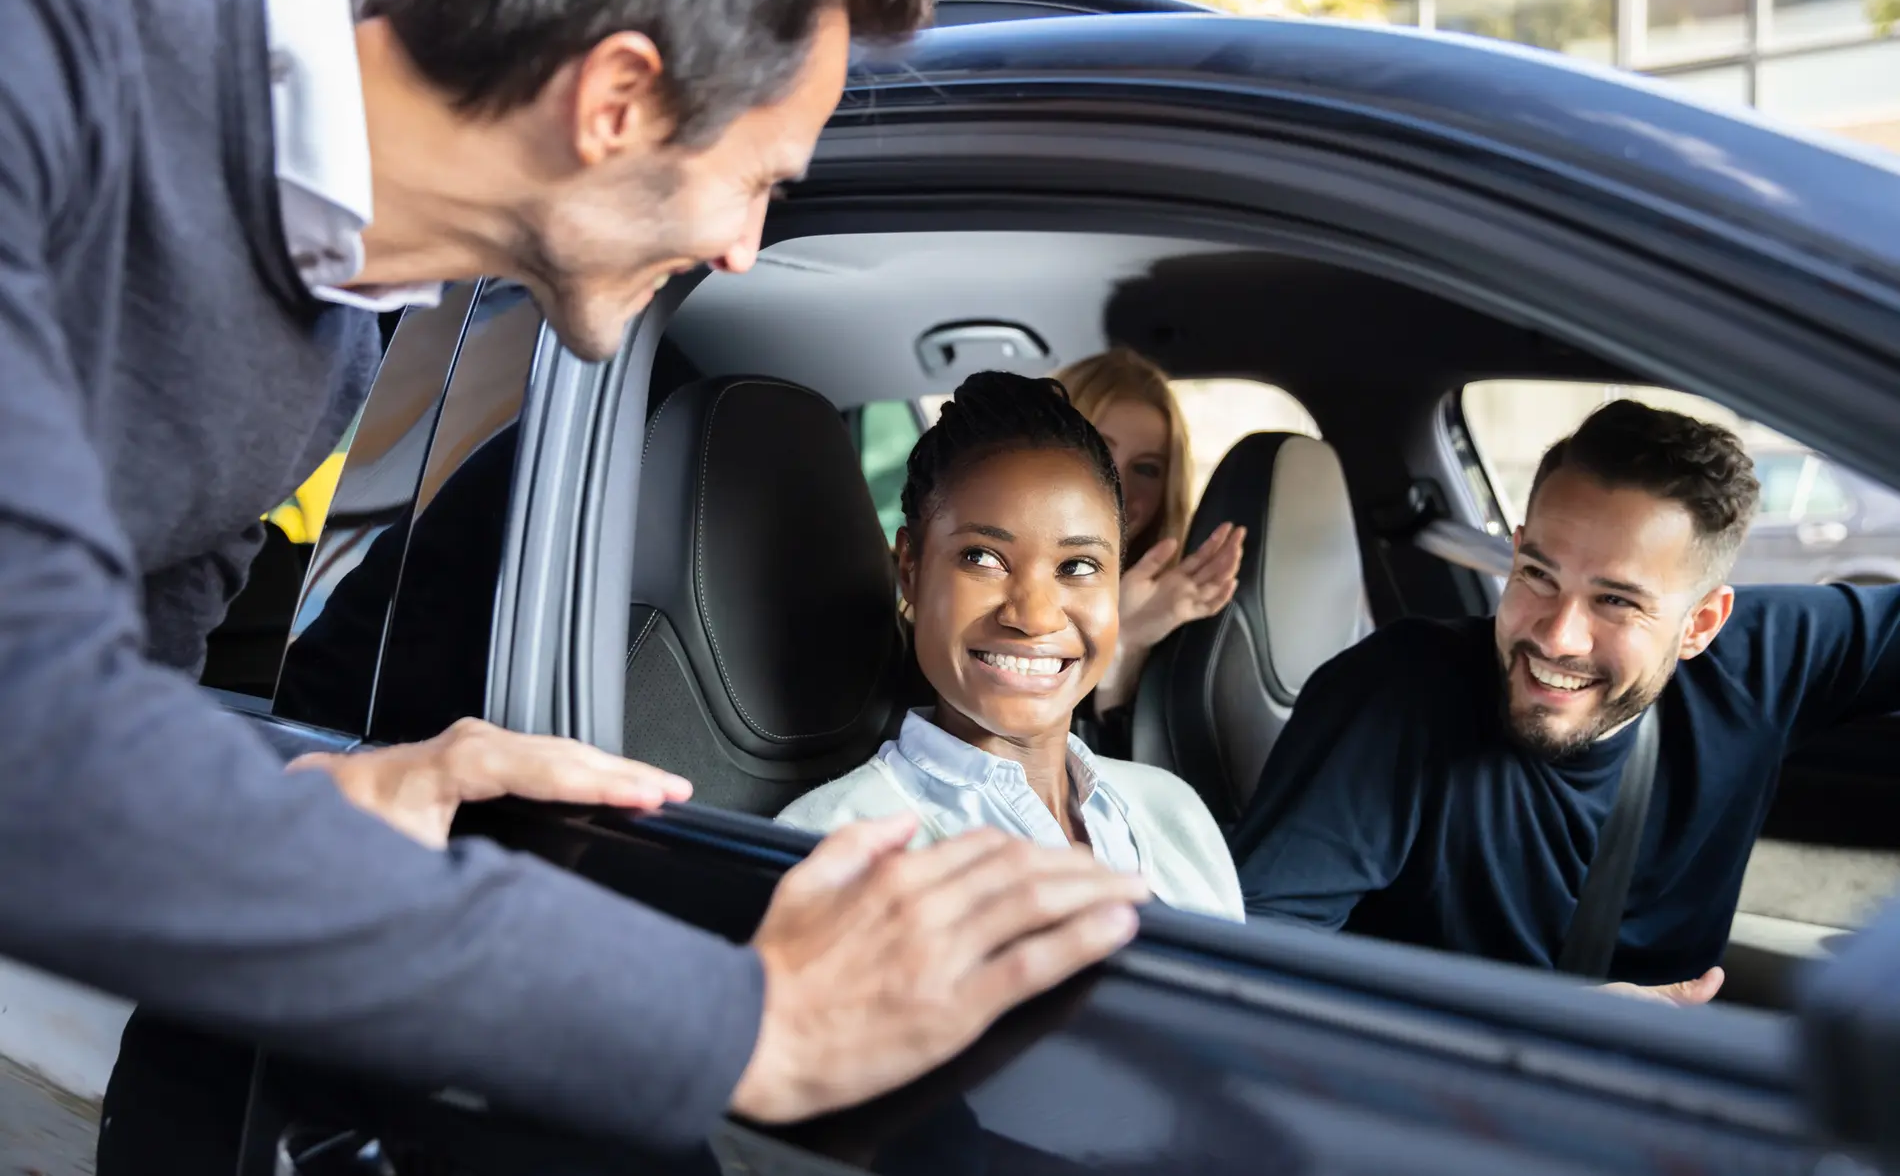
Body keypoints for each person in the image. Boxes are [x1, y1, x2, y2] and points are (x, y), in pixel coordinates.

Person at [0, 0, 1151, 1168]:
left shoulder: (322, 347)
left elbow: (100, 742)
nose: (743, 247)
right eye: (761, 178)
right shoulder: (29, 46)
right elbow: (43, 740)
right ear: (614, 98)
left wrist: (312, 794)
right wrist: (733, 1023)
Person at [1229, 401, 1900, 1004]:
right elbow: (1249, 964)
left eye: (1616, 600)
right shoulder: (1394, 696)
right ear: (1515, 552)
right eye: (1538, 576)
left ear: (1700, 625)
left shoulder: (1762, 663)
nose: (1556, 635)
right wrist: (1549, 1028)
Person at [778, 372, 1246, 921]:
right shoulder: (831, 850)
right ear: (912, 568)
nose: (1034, 616)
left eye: (1078, 566)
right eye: (982, 557)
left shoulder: (1173, 809)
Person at [1053, 350, 1246, 728]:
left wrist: (1126, 644)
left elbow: (1115, 772)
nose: (1119, 486)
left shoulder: (1172, 612)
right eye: (1097, 451)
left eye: (1146, 468)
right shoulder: (985, 588)